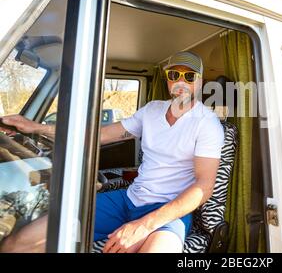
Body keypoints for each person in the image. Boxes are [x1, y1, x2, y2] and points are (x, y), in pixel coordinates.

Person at [0, 51, 224, 253]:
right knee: (18, 243)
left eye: (190, 76)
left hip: (168, 212)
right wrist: (36, 128)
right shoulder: (152, 110)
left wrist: (144, 225)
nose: (181, 82)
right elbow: (100, 135)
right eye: (175, 75)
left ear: (200, 81)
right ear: (167, 79)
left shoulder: (207, 123)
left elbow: (203, 186)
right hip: (127, 200)